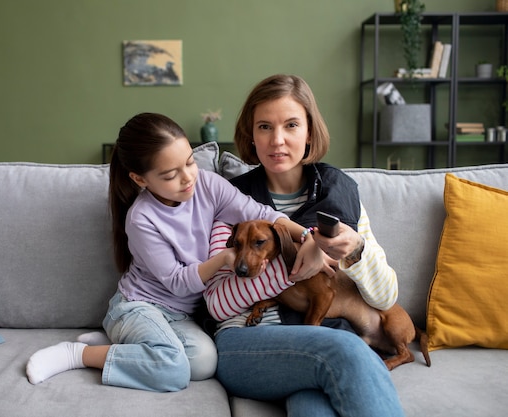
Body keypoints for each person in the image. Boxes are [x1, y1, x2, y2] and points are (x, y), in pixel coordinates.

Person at [26, 112, 326, 392]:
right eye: (171, 175)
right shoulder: (142, 218)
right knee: (174, 370)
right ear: (140, 179)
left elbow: (259, 212)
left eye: (190, 162)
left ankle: (121, 342)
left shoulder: (208, 184)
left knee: (204, 364)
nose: (187, 178)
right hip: (139, 305)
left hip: (181, 316)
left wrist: (309, 237)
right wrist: (223, 258)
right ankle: (78, 354)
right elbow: (177, 282)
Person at [203, 74, 405, 416]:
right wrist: (298, 256)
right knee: (345, 350)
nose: (277, 140)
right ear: (251, 135)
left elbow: (385, 299)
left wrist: (355, 250)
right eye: (264, 127)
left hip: (317, 342)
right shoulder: (231, 201)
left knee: (314, 407)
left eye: (291, 125)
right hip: (247, 344)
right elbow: (217, 302)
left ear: (309, 131)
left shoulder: (341, 196)